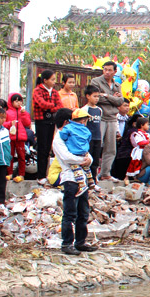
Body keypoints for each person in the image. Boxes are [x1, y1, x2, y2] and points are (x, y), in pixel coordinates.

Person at [52, 108, 99, 256]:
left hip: (82, 179)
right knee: (70, 213)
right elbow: (66, 157)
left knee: (83, 212)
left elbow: (88, 155)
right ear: (68, 122)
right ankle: (67, 243)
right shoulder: (59, 138)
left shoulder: (77, 136)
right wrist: (83, 161)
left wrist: (87, 160)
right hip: (70, 178)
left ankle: (80, 242)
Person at [89, 61, 124, 181]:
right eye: (105, 69)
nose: (107, 72)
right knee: (96, 146)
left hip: (113, 118)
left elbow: (121, 102)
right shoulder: (96, 81)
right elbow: (97, 98)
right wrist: (113, 98)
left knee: (111, 148)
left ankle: (105, 173)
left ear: (115, 71)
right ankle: (91, 174)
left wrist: (108, 96)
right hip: (100, 117)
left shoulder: (117, 85)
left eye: (110, 70)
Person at [58, 107, 97, 196]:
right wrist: (86, 160)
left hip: (75, 155)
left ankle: (83, 184)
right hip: (70, 178)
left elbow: (64, 136)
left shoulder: (67, 129)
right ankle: (91, 181)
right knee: (86, 169)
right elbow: (66, 157)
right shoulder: (86, 130)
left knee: (77, 168)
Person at [33, 69, 62, 180]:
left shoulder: (54, 92)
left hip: (51, 121)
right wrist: (52, 106)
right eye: (52, 79)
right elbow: (42, 104)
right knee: (42, 148)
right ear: (45, 80)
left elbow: (59, 105)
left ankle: (46, 174)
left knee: (48, 148)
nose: (54, 82)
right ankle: (41, 175)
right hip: (41, 121)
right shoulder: (38, 90)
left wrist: (50, 108)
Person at [5, 93, 31, 183]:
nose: (18, 103)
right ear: (11, 102)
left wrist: (23, 114)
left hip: (20, 137)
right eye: (16, 101)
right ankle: (10, 173)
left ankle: (21, 174)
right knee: (10, 156)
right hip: (10, 137)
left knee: (21, 156)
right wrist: (9, 124)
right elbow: (4, 124)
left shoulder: (23, 112)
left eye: (20, 100)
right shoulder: (7, 113)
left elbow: (27, 123)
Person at [83, 85, 103, 181]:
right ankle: (87, 178)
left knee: (96, 159)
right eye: (94, 96)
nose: (96, 98)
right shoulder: (85, 109)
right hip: (89, 138)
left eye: (98, 96)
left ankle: (94, 178)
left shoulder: (99, 110)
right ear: (88, 96)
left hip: (97, 137)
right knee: (88, 158)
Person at [124, 116, 150, 182]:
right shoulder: (137, 134)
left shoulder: (147, 134)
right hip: (140, 151)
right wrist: (148, 142)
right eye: (147, 124)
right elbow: (139, 142)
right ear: (142, 125)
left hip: (146, 151)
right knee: (137, 164)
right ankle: (134, 176)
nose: (148, 126)